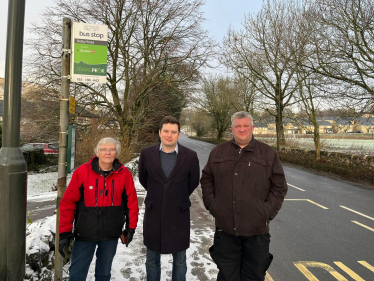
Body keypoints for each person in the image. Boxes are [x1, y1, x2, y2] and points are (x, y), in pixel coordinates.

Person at [200, 111, 288, 281]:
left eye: (246, 125)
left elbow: (279, 187)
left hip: (256, 232)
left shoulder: (268, 153)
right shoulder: (218, 152)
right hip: (225, 231)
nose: (242, 129)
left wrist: (267, 212)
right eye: (238, 126)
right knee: (227, 277)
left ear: (252, 127)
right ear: (232, 129)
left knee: (254, 277)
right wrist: (212, 205)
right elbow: (206, 179)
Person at [58, 137, 139, 281]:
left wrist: (131, 228)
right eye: (103, 149)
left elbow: (131, 204)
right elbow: (68, 203)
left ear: (117, 153)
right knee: (77, 273)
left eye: (112, 149)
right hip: (85, 233)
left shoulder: (124, 174)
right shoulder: (82, 172)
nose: (107, 153)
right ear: (97, 152)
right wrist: (64, 232)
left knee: (103, 274)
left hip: (110, 234)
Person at [138, 116, 200, 281]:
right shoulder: (146, 154)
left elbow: (193, 181)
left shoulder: (191, 156)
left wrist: (176, 195)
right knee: (152, 259)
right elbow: (144, 179)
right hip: (153, 213)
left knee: (180, 260)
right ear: (159, 132)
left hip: (179, 214)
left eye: (173, 132)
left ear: (179, 134)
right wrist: (158, 193)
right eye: (166, 131)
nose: (169, 135)